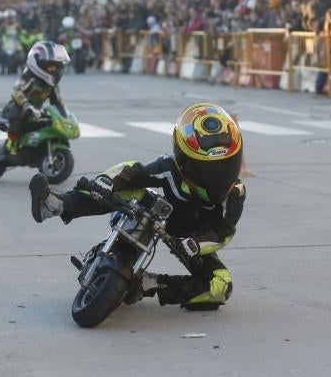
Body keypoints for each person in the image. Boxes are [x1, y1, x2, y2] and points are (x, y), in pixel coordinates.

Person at [29, 102, 246, 311]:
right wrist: (106, 181)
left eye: (228, 165)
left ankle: (148, 284)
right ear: (183, 159)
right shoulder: (170, 168)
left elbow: (224, 231)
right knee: (125, 188)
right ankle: (57, 204)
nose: (220, 175)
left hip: (192, 238)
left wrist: (196, 244)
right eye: (209, 169)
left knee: (221, 285)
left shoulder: (235, 192)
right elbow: (134, 172)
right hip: (158, 214)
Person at [1, 42, 70, 155]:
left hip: (35, 112)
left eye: (57, 66)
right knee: (18, 112)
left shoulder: (51, 84)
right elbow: (17, 92)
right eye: (50, 66)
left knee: (49, 120)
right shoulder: (29, 76)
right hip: (17, 109)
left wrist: (65, 118)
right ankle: (11, 145)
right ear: (38, 64)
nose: (55, 69)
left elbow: (58, 102)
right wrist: (27, 106)